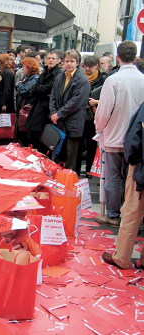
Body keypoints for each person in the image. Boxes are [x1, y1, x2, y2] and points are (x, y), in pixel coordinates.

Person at [95, 41, 144, 227]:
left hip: (115, 137)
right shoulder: (142, 79)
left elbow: (104, 111)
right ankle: (132, 219)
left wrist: (100, 129)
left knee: (114, 179)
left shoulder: (113, 80)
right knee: (133, 182)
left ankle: (113, 215)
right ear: (135, 57)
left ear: (117, 58)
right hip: (137, 139)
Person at [102, 101, 144, 269]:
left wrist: (132, 161)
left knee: (131, 213)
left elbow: (135, 137)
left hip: (141, 169)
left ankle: (122, 256)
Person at [49, 49, 90, 170]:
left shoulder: (82, 80)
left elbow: (75, 103)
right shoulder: (60, 77)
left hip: (73, 122)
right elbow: (54, 96)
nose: (69, 64)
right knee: (57, 154)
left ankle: (67, 182)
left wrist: (58, 114)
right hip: (59, 121)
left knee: (70, 155)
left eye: (72, 61)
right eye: (67, 61)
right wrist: (53, 113)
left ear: (77, 63)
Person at [24, 50, 62, 153]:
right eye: (49, 58)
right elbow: (34, 88)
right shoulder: (44, 72)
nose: (50, 60)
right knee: (32, 136)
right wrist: (38, 90)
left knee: (44, 139)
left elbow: (48, 88)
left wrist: (38, 90)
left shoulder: (58, 74)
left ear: (58, 61)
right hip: (38, 106)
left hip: (47, 110)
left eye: (53, 58)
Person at [75, 56, 105, 177]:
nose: (87, 69)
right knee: (79, 143)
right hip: (80, 114)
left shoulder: (102, 79)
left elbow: (106, 97)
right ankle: (76, 169)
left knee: (92, 144)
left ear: (96, 66)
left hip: (94, 116)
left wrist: (96, 102)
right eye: (86, 66)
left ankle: (89, 169)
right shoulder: (80, 78)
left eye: (90, 66)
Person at [16, 57, 40, 146]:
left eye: (24, 66)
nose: (22, 68)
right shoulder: (26, 77)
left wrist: (20, 84)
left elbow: (24, 91)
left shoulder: (34, 78)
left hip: (28, 109)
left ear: (30, 68)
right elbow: (17, 88)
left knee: (25, 134)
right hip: (23, 107)